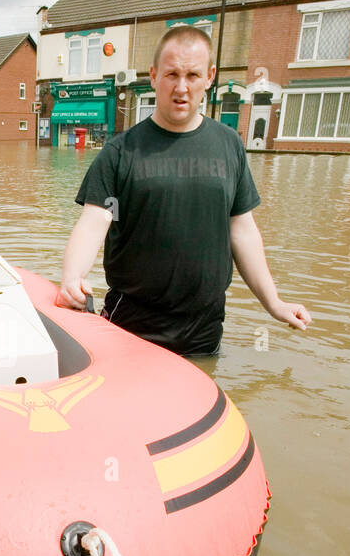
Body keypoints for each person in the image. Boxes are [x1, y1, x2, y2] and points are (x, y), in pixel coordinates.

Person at [58, 24, 310, 356]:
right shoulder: (121, 152)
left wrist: (274, 303)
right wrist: (72, 277)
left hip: (204, 329)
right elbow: (95, 221)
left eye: (192, 75)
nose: (181, 87)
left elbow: (242, 230)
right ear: (153, 75)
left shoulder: (229, 145)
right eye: (171, 74)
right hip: (131, 326)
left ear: (209, 77)